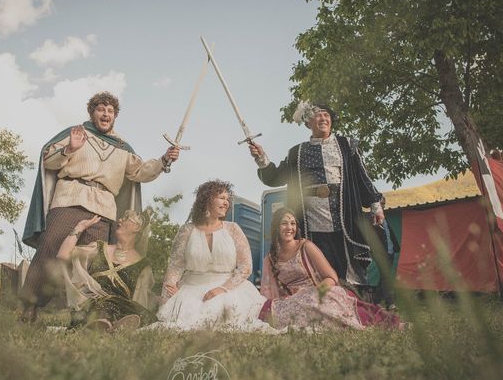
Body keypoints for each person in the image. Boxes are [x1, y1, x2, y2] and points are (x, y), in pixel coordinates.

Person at [20, 91, 179, 322]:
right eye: (101, 109)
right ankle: (30, 306)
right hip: (70, 198)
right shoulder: (76, 134)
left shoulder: (123, 147)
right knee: (50, 248)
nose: (106, 114)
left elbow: (140, 172)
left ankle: (90, 313)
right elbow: (48, 160)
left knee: (95, 262)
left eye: (110, 111)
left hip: (103, 208)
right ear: (92, 112)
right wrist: (70, 149)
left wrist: (163, 160)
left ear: (115, 116)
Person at [249, 100, 384, 288]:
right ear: (308, 123)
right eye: (318, 115)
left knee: (350, 271)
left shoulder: (346, 145)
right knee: (319, 268)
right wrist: (261, 158)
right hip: (311, 220)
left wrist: (375, 204)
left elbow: (362, 176)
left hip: (344, 218)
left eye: (326, 115)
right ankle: (322, 308)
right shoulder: (297, 152)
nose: (323, 118)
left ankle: (356, 308)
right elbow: (276, 177)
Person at [155, 180, 273, 331]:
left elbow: (246, 267)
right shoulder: (186, 231)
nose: (226, 203)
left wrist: (222, 289)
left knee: (227, 321)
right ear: (207, 199)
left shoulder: (233, 229)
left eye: (227, 199)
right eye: (222, 198)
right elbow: (174, 267)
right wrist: (168, 298)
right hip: (190, 288)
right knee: (183, 326)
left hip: (230, 289)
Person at [259, 208, 403, 331]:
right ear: (276, 227)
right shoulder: (270, 259)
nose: (289, 228)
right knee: (278, 315)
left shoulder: (305, 246)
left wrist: (315, 294)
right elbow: (268, 292)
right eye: (284, 223)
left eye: (292, 223)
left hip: (317, 293)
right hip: (292, 301)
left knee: (328, 307)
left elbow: (331, 276)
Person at [57, 209, 157, 331]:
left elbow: (139, 301)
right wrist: (79, 227)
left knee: (119, 307)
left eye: (125, 218)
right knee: (101, 305)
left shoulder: (143, 266)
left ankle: (111, 326)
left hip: (123, 309)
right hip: (92, 306)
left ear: (137, 227)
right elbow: (63, 255)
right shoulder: (98, 248)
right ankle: (103, 325)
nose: (119, 220)